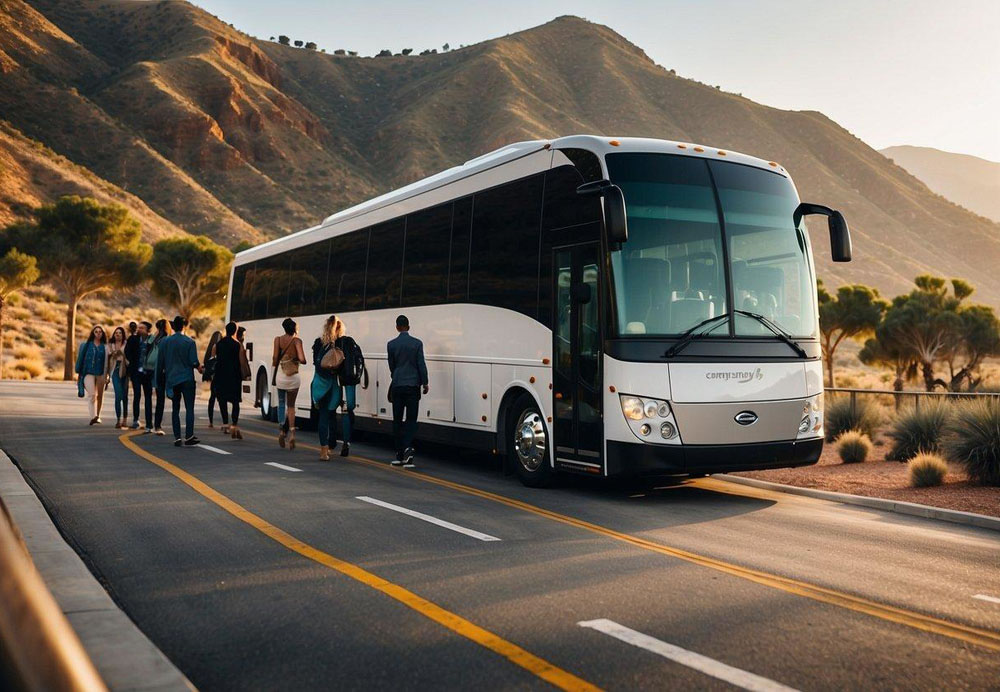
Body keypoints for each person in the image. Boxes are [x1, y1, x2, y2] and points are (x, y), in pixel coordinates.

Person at [387, 314, 428, 468]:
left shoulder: (391, 345)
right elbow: (421, 365)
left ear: (397, 327)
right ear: (408, 327)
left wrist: (397, 376)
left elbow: (392, 365)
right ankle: (408, 449)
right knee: (411, 420)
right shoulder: (417, 344)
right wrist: (425, 383)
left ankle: (399, 454)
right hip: (412, 386)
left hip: (398, 385)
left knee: (397, 420)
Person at [157, 315, 203, 447]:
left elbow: (160, 363)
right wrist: (199, 367)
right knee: (189, 408)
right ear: (184, 327)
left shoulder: (165, 342)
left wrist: (159, 380)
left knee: (175, 408)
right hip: (187, 378)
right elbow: (193, 361)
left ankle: (177, 437)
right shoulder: (189, 342)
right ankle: (189, 435)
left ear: (173, 326)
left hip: (172, 379)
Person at [311, 315, 343, 461]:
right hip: (333, 384)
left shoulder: (318, 343)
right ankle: (331, 444)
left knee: (322, 416)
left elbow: (315, 364)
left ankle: (323, 450)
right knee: (331, 415)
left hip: (320, 383)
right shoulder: (340, 343)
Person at [333, 317, 365, 457]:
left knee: (331, 409)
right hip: (350, 379)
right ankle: (346, 441)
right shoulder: (351, 342)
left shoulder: (332, 344)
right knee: (348, 408)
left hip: (336, 380)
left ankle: (331, 440)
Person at [273, 318, 306, 449]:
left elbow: (275, 358)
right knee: (291, 406)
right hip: (294, 377)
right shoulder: (297, 341)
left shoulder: (278, 340)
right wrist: (295, 358)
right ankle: (292, 433)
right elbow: (303, 359)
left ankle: (282, 430)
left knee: (281, 403)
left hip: (281, 375)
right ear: (294, 328)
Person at [213, 322, 245, 439]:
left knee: (222, 399)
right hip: (234, 375)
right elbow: (241, 361)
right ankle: (234, 424)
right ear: (235, 331)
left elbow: (214, 359)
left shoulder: (219, 344)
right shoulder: (237, 345)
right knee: (235, 401)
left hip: (221, 374)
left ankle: (225, 423)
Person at [75, 325, 108, 425]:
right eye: (96, 332)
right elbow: (80, 358)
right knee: (92, 395)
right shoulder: (86, 345)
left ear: (103, 334)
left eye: (100, 332)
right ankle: (93, 417)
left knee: (100, 395)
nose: (98, 333)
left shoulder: (106, 346)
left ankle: (98, 415)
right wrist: (79, 372)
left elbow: (109, 362)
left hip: (101, 373)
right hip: (88, 372)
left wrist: (107, 375)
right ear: (93, 333)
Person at [125, 321, 151, 430]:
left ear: (147, 331)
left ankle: (149, 423)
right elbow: (127, 352)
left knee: (148, 397)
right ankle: (136, 420)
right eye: (139, 327)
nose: (139, 329)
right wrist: (133, 362)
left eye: (142, 328)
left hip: (148, 373)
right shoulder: (133, 339)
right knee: (137, 395)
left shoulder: (152, 341)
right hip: (136, 372)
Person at [147, 319, 169, 435]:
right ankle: (156, 425)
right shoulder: (163, 338)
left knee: (157, 398)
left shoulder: (159, 338)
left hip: (155, 370)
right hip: (158, 370)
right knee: (160, 399)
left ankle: (154, 424)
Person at [107, 326, 130, 429]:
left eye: (120, 333)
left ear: (123, 334)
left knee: (125, 396)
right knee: (118, 395)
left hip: (125, 369)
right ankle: (118, 420)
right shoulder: (110, 345)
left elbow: (129, 356)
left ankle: (125, 419)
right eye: (116, 333)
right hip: (115, 370)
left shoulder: (126, 344)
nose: (118, 334)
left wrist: (121, 353)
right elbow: (108, 358)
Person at [203, 331, 221, 429]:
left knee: (212, 399)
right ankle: (225, 422)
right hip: (220, 377)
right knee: (221, 400)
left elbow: (211, 361)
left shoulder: (212, 347)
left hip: (214, 378)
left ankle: (211, 421)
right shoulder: (219, 346)